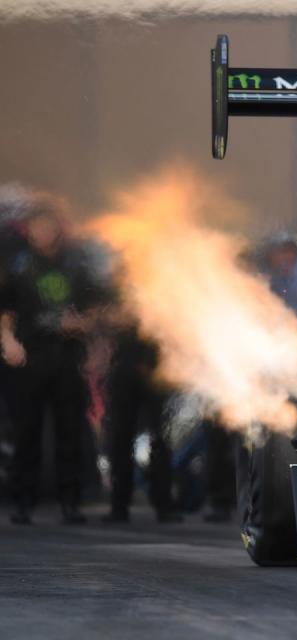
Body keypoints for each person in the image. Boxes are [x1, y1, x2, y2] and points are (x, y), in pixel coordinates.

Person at [1, 198, 104, 524]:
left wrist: (82, 326)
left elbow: (95, 311)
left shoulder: (76, 266)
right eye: (37, 227)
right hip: (29, 360)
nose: (43, 232)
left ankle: (70, 501)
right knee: (26, 433)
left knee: (69, 434)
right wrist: (8, 343)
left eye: (49, 226)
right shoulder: (18, 266)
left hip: (66, 360)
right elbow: (6, 312)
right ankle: (22, 502)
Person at [101, 318, 182, 524]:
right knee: (122, 437)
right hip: (129, 363)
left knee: (159, 438)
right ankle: (121, 504)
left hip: (153, 363)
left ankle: (161, 504)